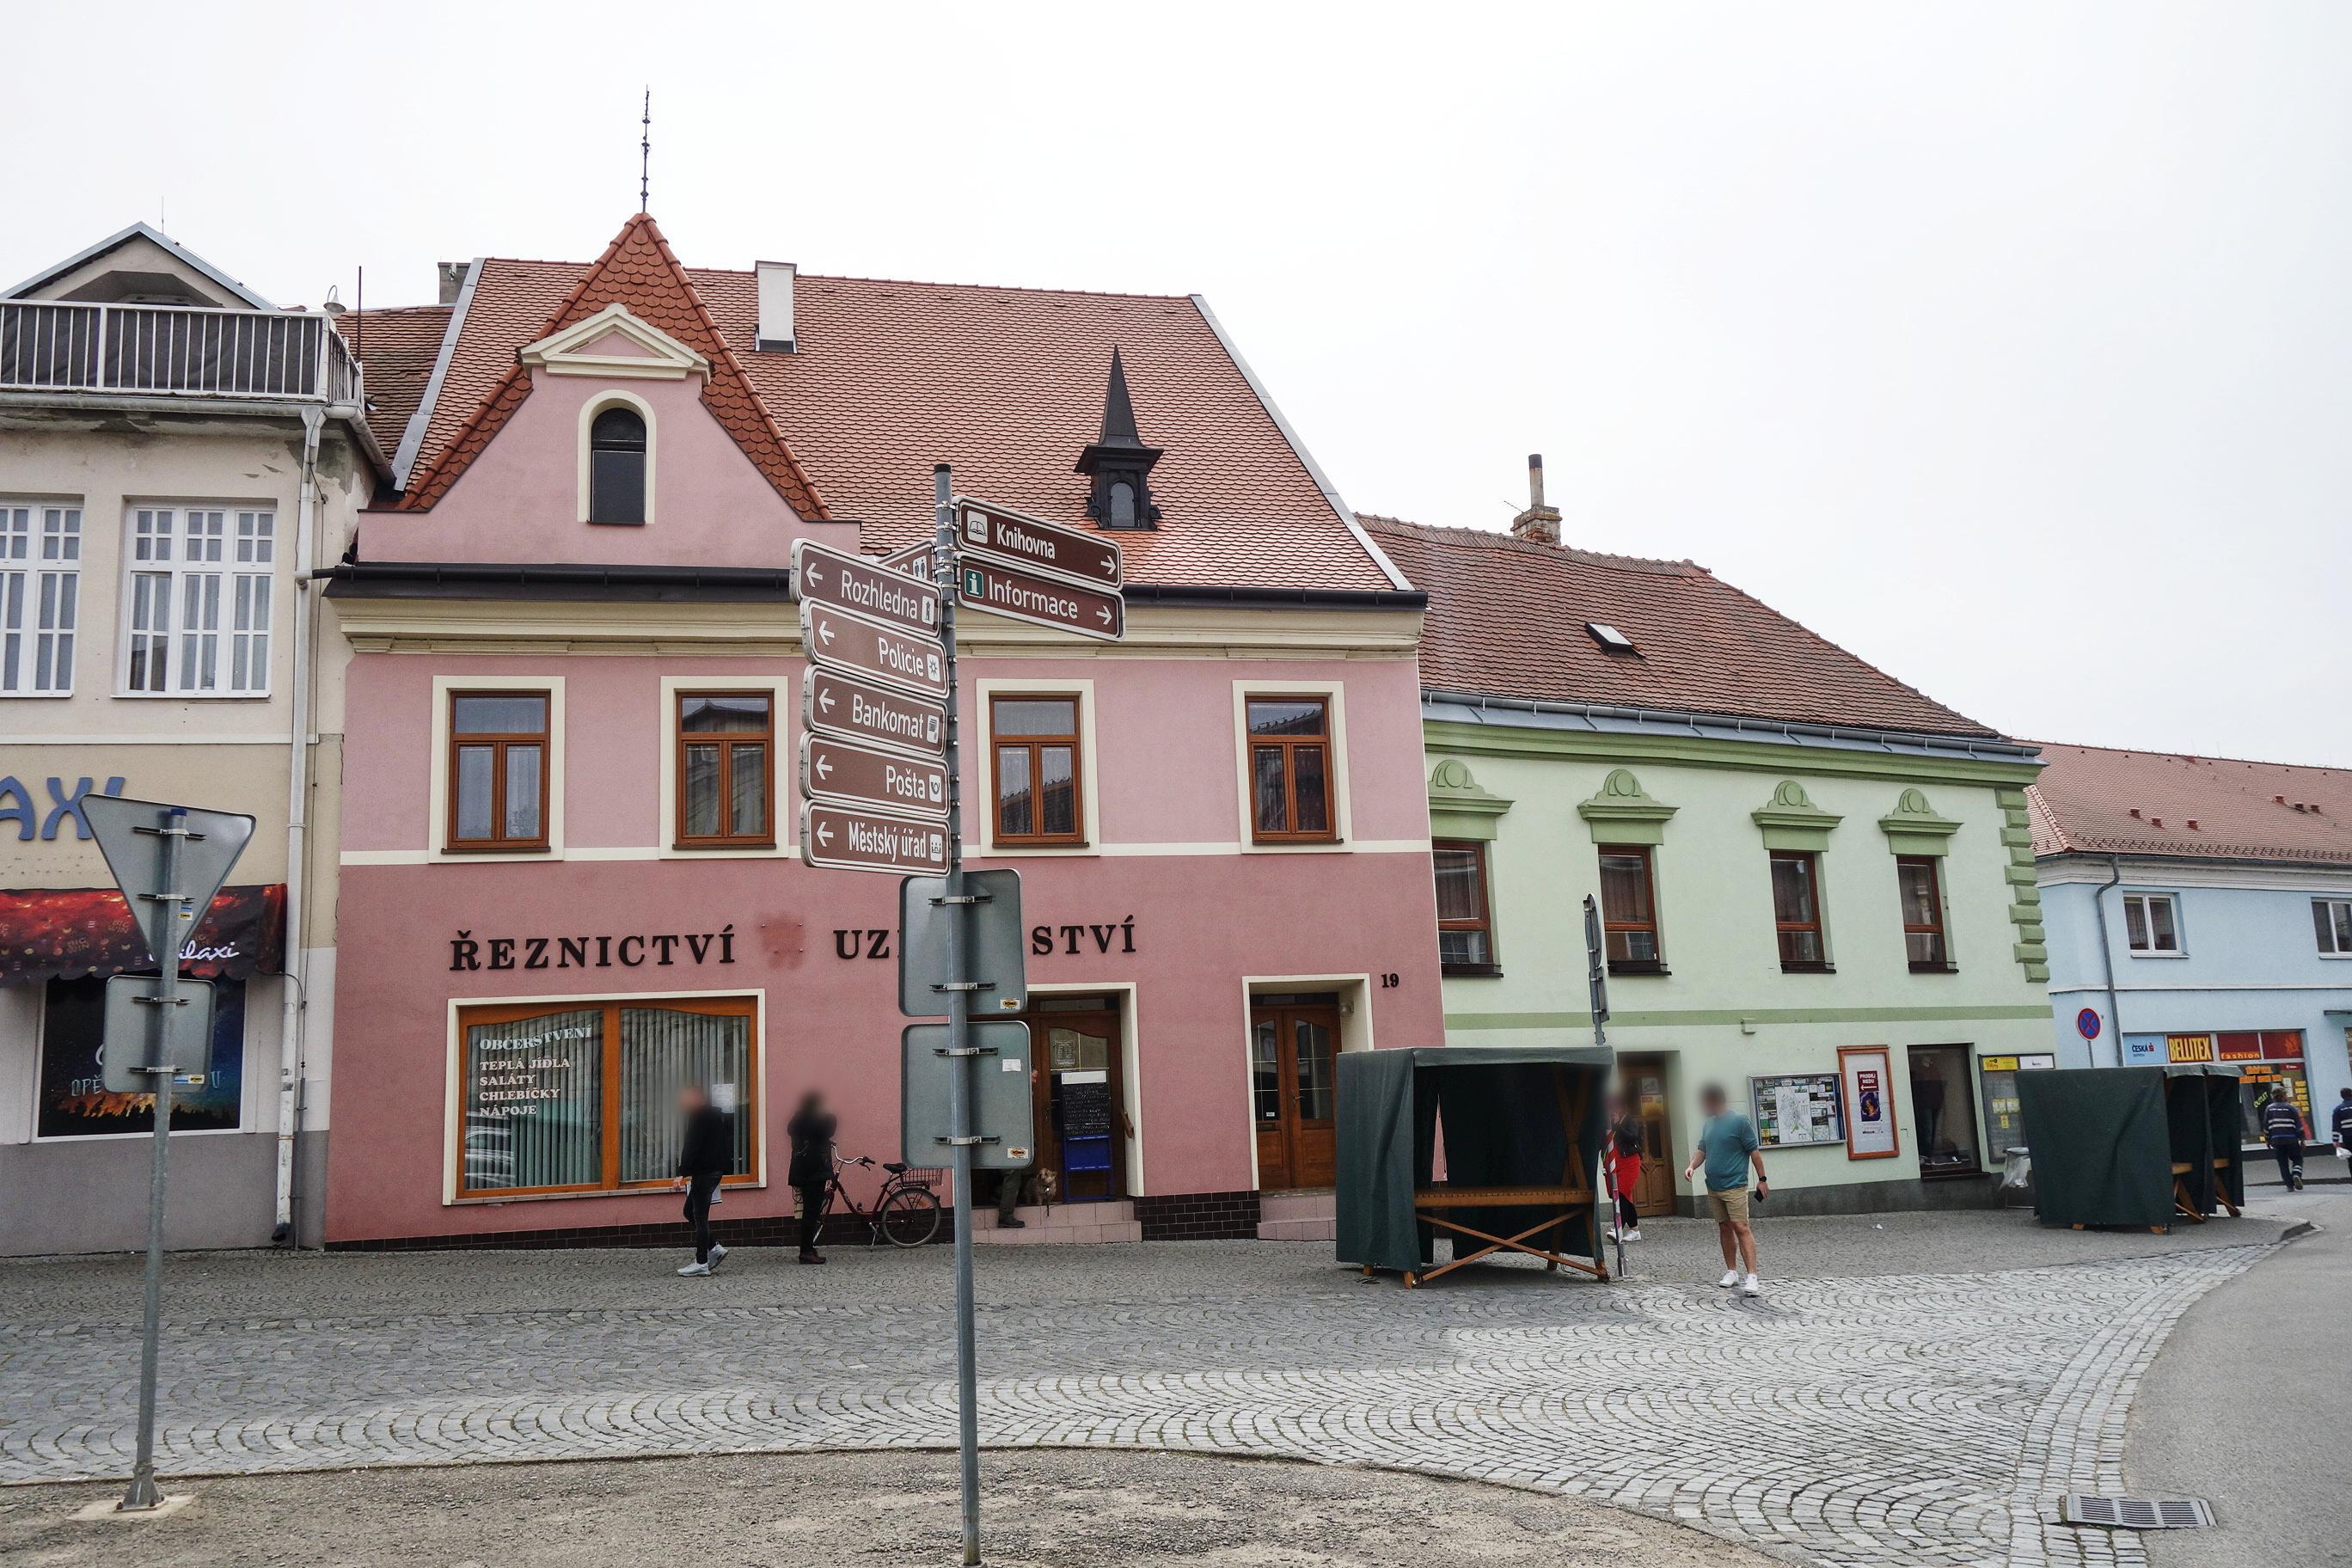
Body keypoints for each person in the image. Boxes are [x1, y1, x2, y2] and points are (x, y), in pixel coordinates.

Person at [1682, 1082, 1767, 1297]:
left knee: (1741, 1227)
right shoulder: (1708, 1125)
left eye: (1705, 1102)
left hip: (1735, 1186)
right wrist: (1692, 1166)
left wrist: (1762, 1179)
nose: (1703, 1106)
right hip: (1714, 1187)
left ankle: (1752, 1277)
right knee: (1724, 1227)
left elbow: (1754, 1152)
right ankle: (1732, 1272)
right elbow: (1703, 1149)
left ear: (1715, 1101)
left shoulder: (1739, 1122)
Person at [670, 1084, 732, 1277]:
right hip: (712, 1171)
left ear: (698, 1098)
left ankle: (701, 1262)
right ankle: (714, 1247)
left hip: (705, 1172)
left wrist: (681, 1172)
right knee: (690, 1211)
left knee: (699, 1216)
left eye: (686, 1098)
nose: (683, 1102)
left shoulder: (700, 1117)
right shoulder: (715, 1116)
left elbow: (692, 1147)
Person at [787, 1090, 838, 1265]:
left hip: (801, 1171)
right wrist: (828, 1112)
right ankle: (806, 1251)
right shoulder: (816, 1122)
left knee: (809, 1211)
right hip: (814, 1172)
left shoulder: (798, 1120)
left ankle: (808, 1248)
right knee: (811, 1212)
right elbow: (830, 1128)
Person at [1605, 1092, 1644, 1242]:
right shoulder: (1610, 1123)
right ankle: (1635, 1231)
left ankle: (1618, 1228)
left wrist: (1617, 1126)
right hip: (1616, 1164)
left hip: (1629, 1163)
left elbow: (1632, 1137)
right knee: (1626, 1198)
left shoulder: (1629, 1120)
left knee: (1621, 1193)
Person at [2260, 1083, 2307, 1191]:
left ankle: (2289, 1186)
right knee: (2297, 1158)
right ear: (2283, 1096)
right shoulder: (2291, 1108)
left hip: (2276, 1140)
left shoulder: (2269, 1109)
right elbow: (2298, 1125)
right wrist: (2302, 1139)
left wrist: (2267, 1140)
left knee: (2282, 1163)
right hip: (2291, 1139)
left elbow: (2266, 1126)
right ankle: (2296, 1174)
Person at [2332, 1087, 2352, 1170]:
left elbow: (2336, 1126)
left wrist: (2335, 1140)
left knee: (2351, 1159)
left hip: (2348, 1137)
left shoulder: (2338, 1109)